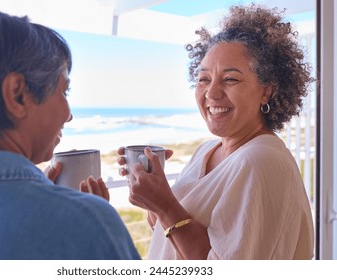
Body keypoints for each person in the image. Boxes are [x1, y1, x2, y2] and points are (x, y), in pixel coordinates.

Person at [0, 9, 140, 260]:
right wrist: (84, 216)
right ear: (17, 94)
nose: (68, 114)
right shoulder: (85, 221)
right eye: (63, 92)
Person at [115, 4, 314, 259]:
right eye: (204, 79)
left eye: (230, 79)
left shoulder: (260, 161)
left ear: (267, 90)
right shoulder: (206, 150)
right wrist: (153, 195)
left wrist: (165, 205)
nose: (211, 93)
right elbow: (172, 236)